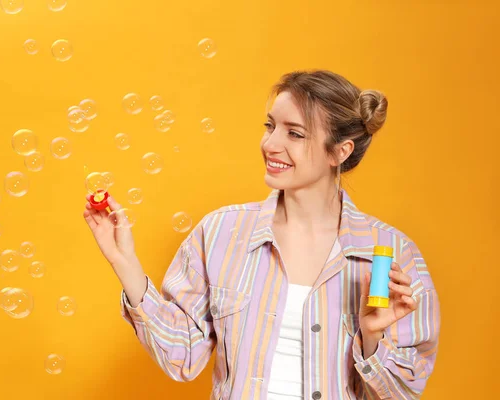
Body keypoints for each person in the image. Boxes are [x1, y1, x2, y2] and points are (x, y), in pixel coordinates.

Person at [83, 70, 441, 400]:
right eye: (270, 126)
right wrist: (124, 262)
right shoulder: (221, 232)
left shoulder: (391, 253)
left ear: (340, 151)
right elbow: (182, 357)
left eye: (294, 133)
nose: (270, 144)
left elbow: (402, 392)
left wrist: (372, 337)